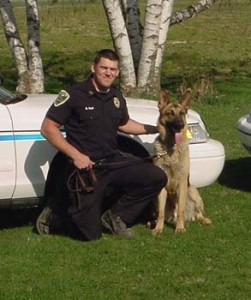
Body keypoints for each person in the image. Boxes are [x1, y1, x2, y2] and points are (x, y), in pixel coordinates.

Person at [36, 49, 167, 241]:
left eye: (113, 69)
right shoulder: (74, 94)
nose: (108, 73)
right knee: (89, 234)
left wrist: (155, 128)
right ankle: (54, 215)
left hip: (112, 162)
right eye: (104, 68)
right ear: (93, 68)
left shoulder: (115, 96)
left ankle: (116, 217)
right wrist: (76, 156)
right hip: (85, 168)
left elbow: (124, 124)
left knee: (156, 177)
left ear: (118, 72)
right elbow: (48, 128)